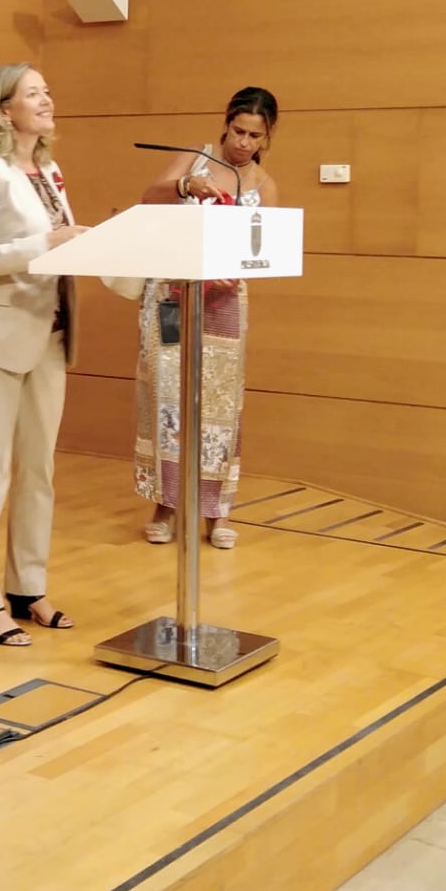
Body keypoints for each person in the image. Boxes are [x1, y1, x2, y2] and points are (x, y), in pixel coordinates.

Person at [0, 64, 88, 647]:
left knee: (39, 472)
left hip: (49, 335)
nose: (47, 100)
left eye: (48, 91)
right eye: (34, 93)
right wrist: (45, 244)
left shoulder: (47, 169)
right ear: (4, 110)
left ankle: (28, 585)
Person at [135, 86, 279, 550]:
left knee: (219, 404)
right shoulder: (193, 159)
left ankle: (218, 511)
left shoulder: (265, 185)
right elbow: (149, 197)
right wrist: (184, 186)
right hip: (173, 295)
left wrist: (232, 271)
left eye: (255, 135)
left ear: (267, 137)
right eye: (238, 130)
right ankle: (167, 504)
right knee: (168, 396)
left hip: (224, 301)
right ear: (226, 123)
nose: (244, 142)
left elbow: (265, 250)